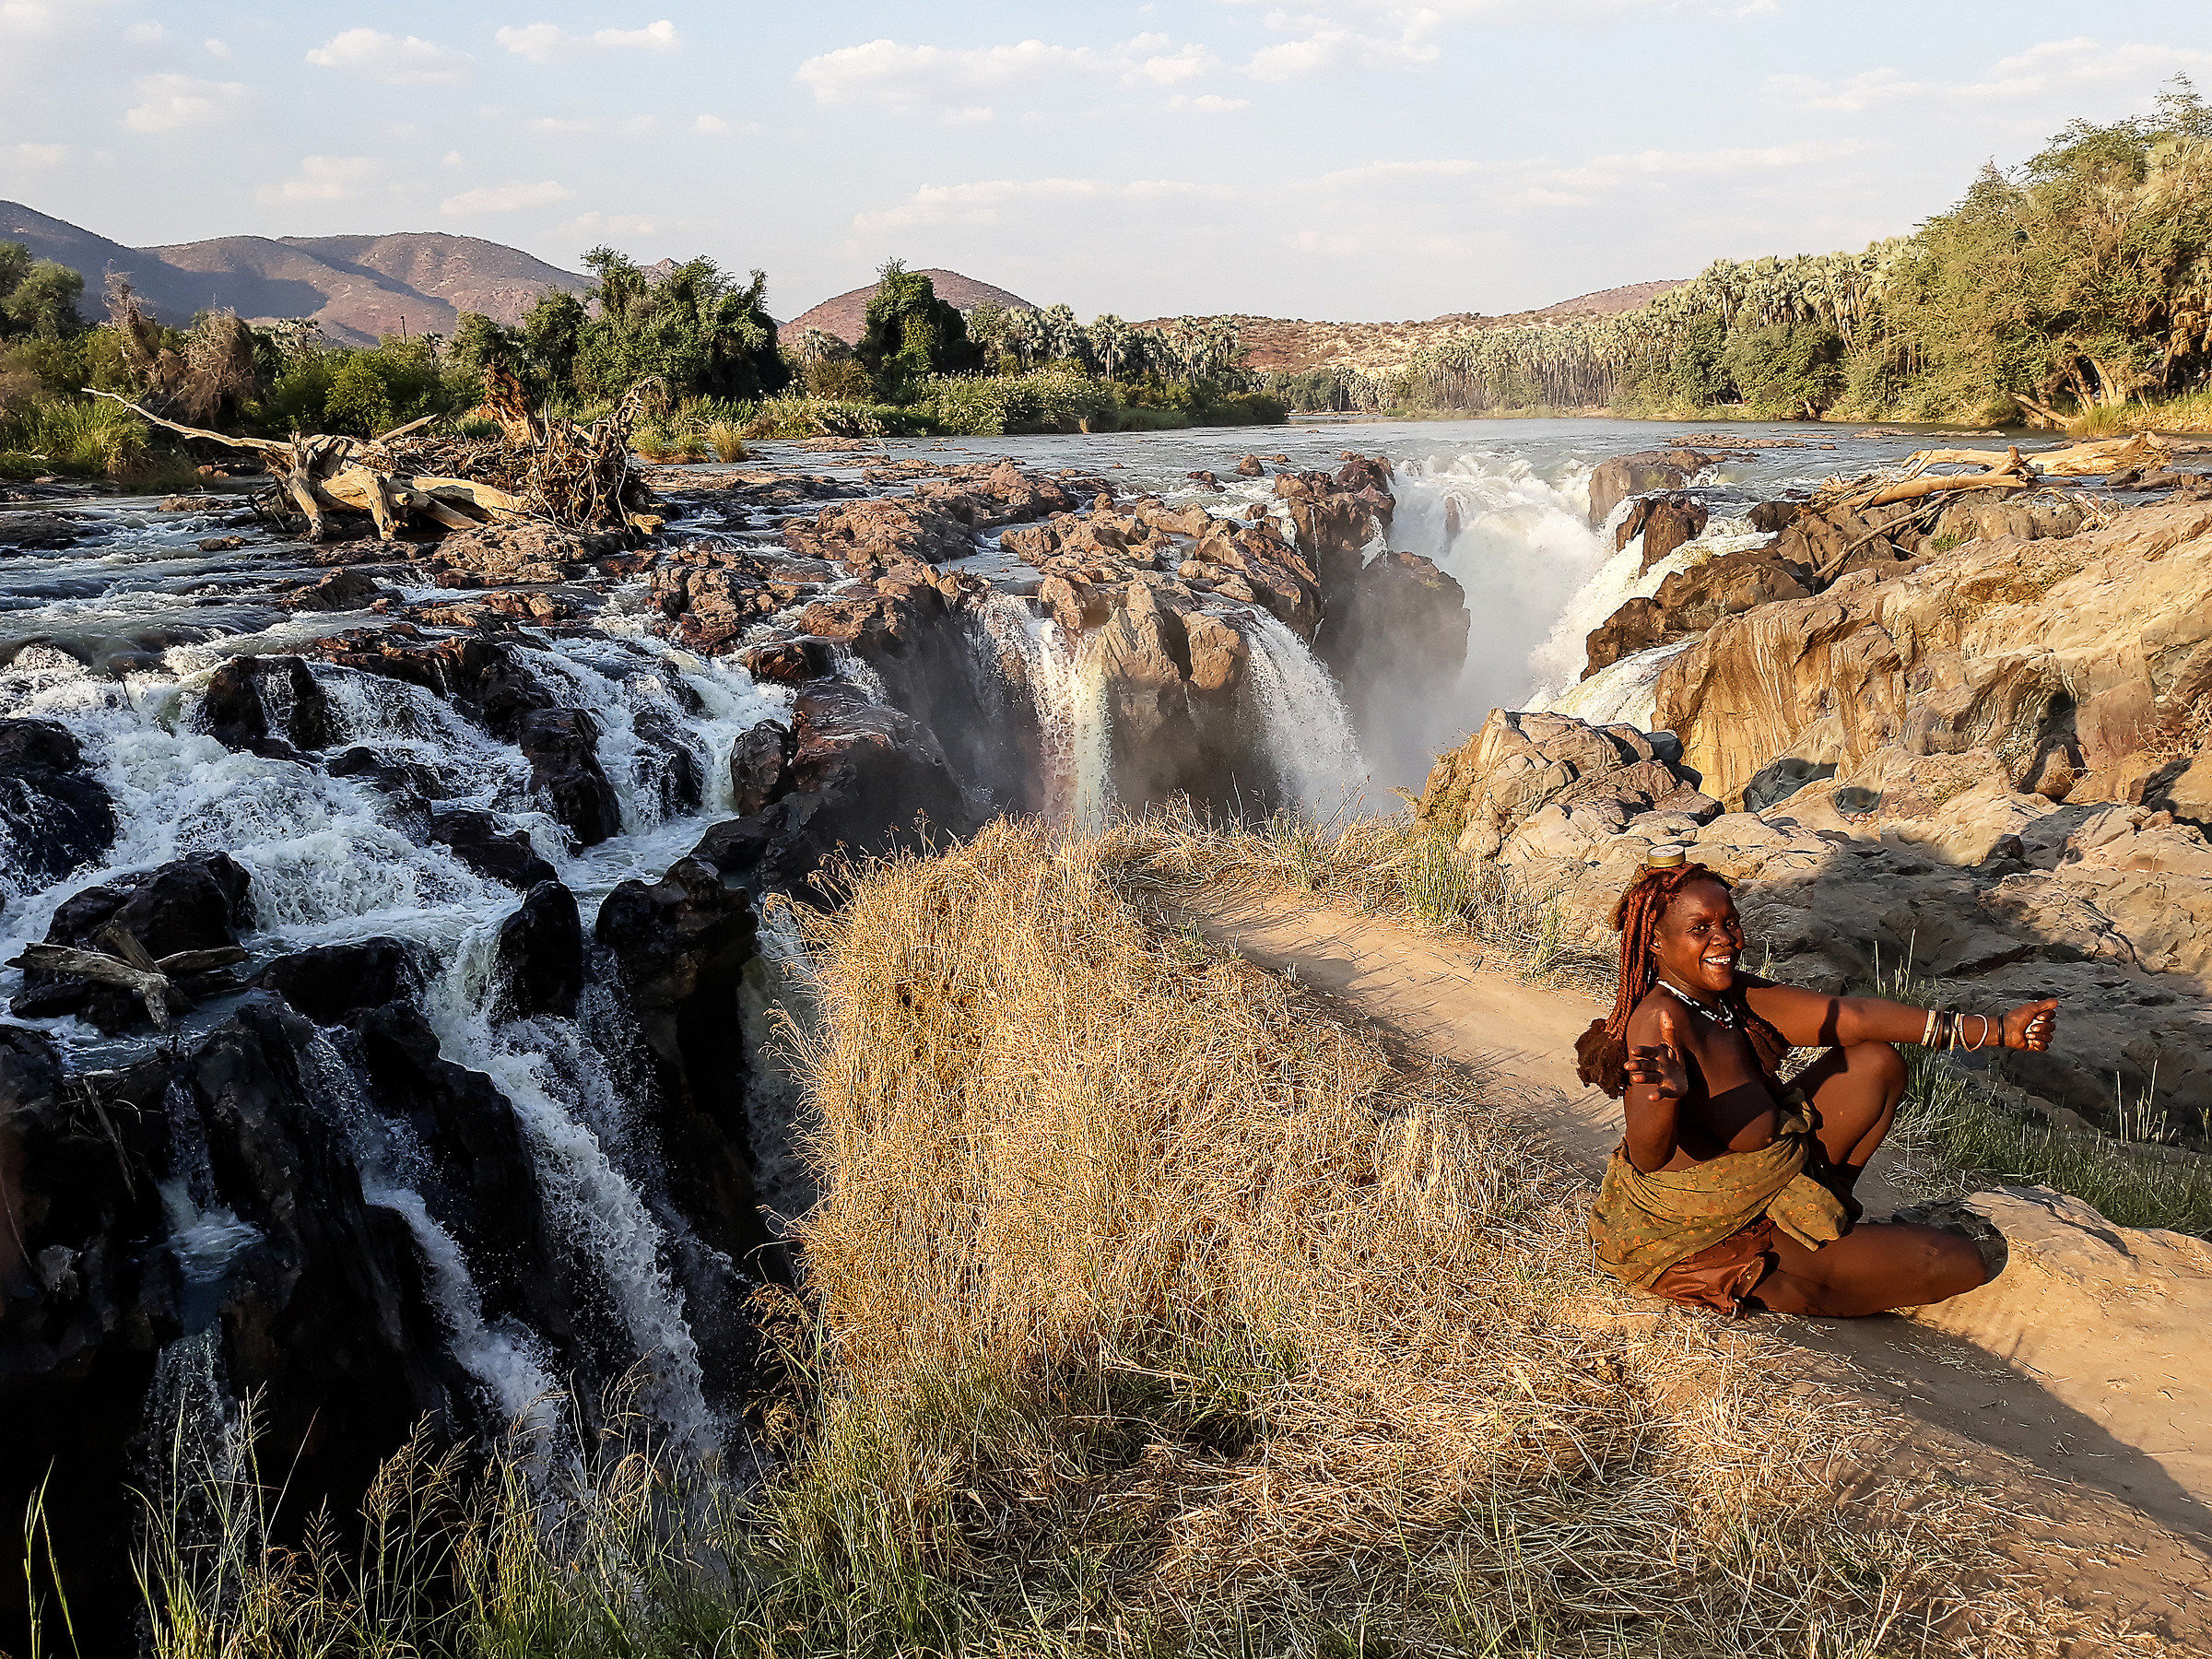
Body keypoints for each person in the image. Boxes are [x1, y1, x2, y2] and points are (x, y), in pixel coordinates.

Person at [1576, 846, 2057, 1318]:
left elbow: (1853, 1017)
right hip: (1706, 1227)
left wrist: (1996, 1030)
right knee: (1956, 1262)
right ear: (1655, 943)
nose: (1724, 939)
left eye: (1729, 923)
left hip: (1774, 1178)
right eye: (1700, 929)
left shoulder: (1729, 997)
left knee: (1875, 1063)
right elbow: (1647, 1156)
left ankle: (1826, 1226)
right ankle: (1790, 1272)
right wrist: (1666, 1099)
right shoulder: (1659, 1023)